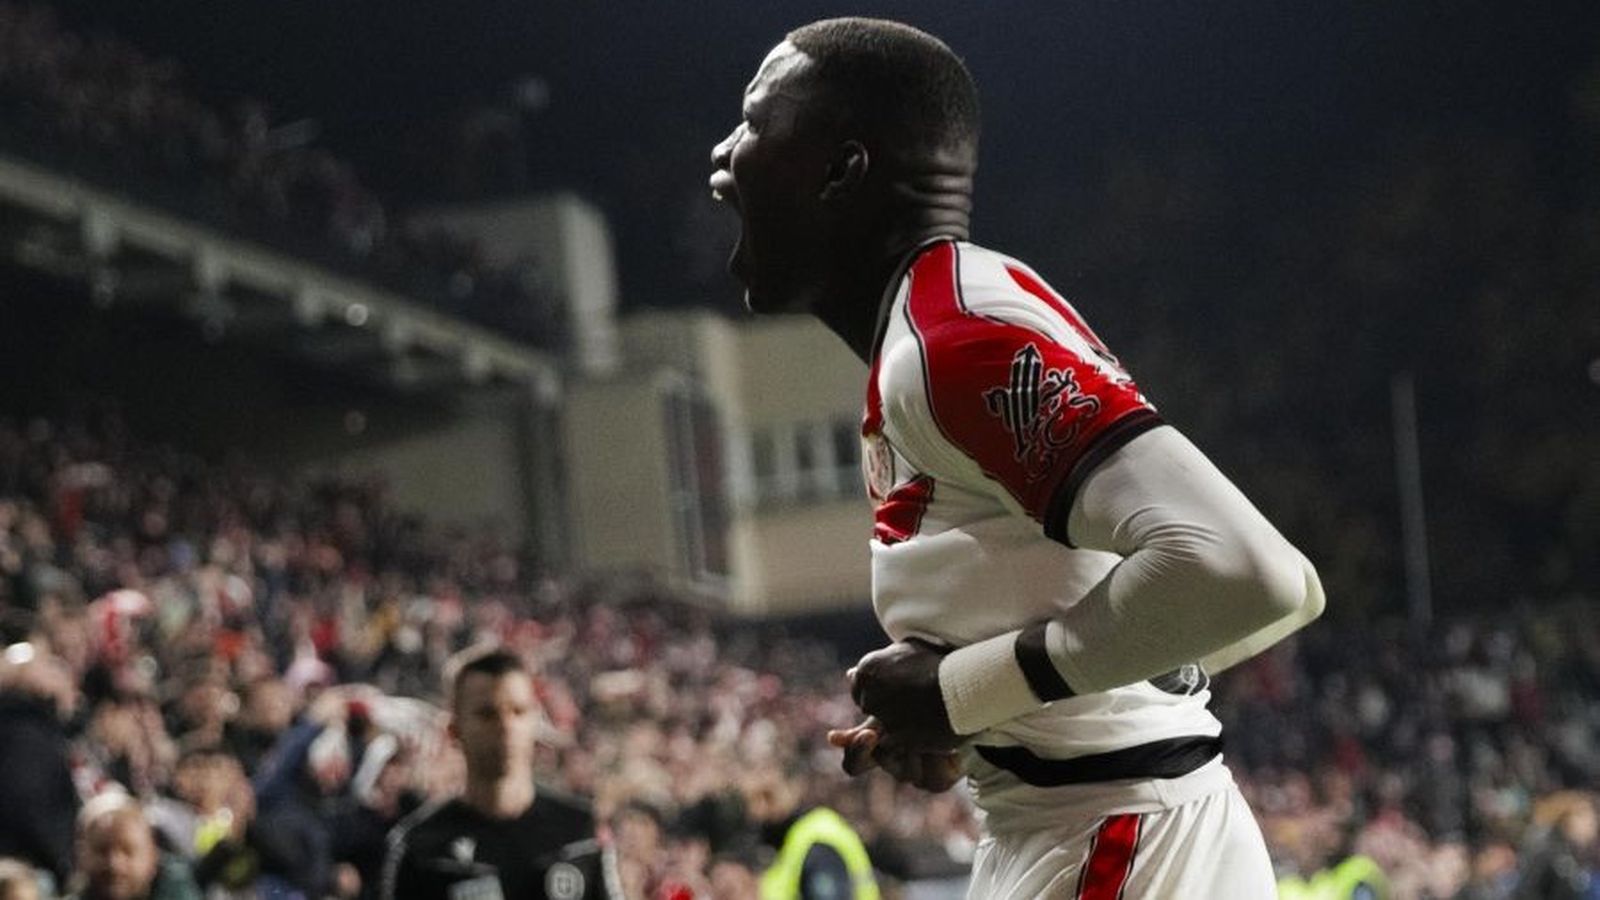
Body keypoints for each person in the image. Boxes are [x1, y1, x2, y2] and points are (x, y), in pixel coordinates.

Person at [709, 17, 1326, 897]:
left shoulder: (954, 343)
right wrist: (988, 716)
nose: (724, 155)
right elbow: (1244, 602)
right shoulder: (939, 324)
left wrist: (961, 694)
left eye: (754, 123)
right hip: (1085, 830)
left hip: (1116, 843)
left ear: (842, 171)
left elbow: (1252, 578)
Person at [379, 648, 621, 899]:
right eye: (487, 714)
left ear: (535, 721)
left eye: (518, 711)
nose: (506, 728)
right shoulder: (420, 846)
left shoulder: (580, 830)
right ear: (454, 730)